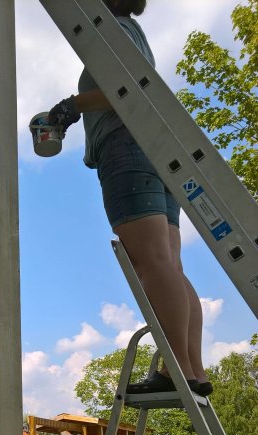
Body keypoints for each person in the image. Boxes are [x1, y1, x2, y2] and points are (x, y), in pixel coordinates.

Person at [47, 0, 212, 396]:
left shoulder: (114, 30)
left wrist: (69, 107)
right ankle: (192, 370)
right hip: (155, 153)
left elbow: (122, 88)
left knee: (152, 262)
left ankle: (180, 372)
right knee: (169, 262)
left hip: (127, 151)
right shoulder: (133, 33)